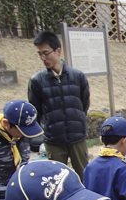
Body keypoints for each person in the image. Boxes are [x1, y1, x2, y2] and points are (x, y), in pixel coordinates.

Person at [28, 30, 91, 181]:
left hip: (77, 136)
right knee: (56, 180)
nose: (43, 58)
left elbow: (84, 104)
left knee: (84, 176)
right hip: (54, 140)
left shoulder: (78, 76)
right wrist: (48, 127)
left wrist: (77, 120)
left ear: (58, 51)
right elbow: (35, 109)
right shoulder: (37, 81)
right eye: (39, 54)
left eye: (46, 53)